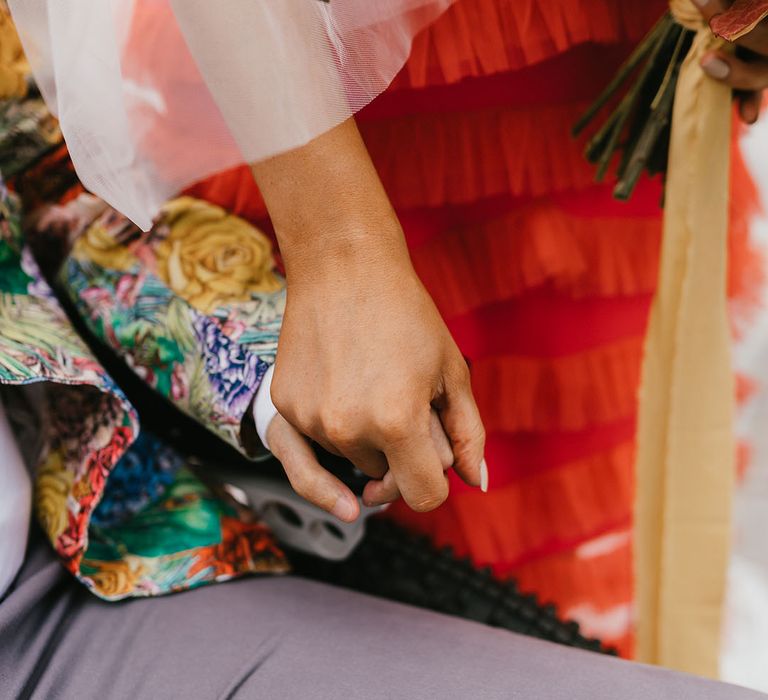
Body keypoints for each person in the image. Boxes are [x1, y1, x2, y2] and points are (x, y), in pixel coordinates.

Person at [5, 0, 768, 676]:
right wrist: (339, 247)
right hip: (330, 98)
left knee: (590, 446)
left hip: (617, 54)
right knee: (397, 507)